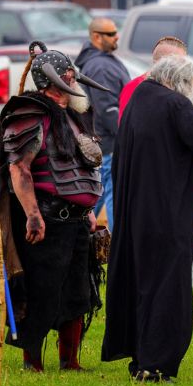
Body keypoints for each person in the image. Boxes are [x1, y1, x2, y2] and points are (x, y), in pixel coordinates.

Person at [102, 55, 193, 382]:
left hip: (137, 213)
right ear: (181, 83)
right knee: (167, 287)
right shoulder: (173, 104)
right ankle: (157, 364)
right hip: (166, 215)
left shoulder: (140, 98)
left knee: (142, 285)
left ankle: (141, 359)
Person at [0, 41, 111, 372]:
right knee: (41, 292)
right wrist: (32, 215)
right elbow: (19, 168)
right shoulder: (29, 113)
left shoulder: (72, 116)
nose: (73, 84)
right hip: (44, 219)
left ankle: (69, 361)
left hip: (74, 222)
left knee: (77, 292)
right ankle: (33, 361)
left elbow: (78, 170)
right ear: (52, 82)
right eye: (68, 78)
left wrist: (88, 211)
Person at [75, 17, 131, 230]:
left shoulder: (103, 60)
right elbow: (108, 110)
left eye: (116, 32)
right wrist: (126, 136)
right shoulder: (99, 66)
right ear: (96, 37)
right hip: (110, 144)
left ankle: (80, 235)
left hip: (105, 144)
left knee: (98, 195)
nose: (116, 36)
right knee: (114, 196)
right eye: (111, 33)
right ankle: (117, 246)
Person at [118, 36, 187, 120]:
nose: (182, 67)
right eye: (177, 62)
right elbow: (124, 126)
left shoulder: (181, 86)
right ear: (159, 62)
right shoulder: (134, 87)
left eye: (183, 62)